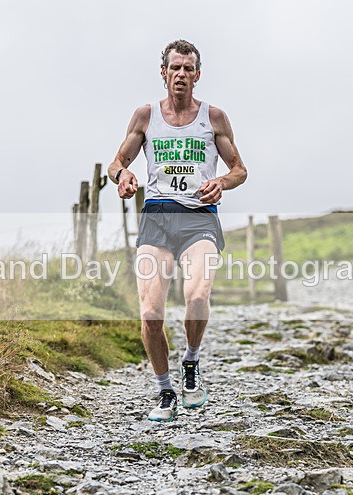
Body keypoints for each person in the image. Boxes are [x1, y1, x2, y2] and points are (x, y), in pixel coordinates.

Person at [107, 39, 247, 422]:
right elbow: (117, 162)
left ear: (197, 75)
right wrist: (124, 175)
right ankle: (165, 390)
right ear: (164, 73)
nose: (181, 74)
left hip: (199, 218)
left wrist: (222, 182)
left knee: (197, 293)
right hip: (157, 217)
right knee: (151, 311)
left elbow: (240, 169)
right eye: (175, 68)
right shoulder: (145, 116)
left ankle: (191, 362)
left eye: (188, 68)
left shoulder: (214, 118)